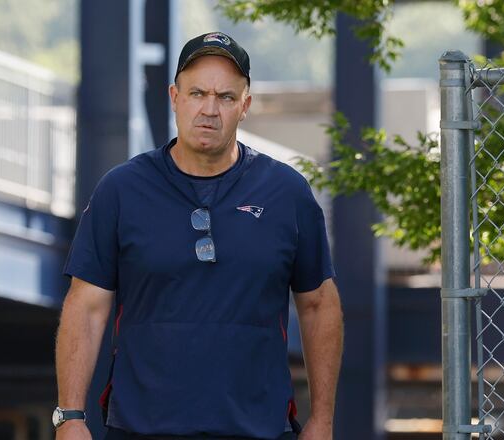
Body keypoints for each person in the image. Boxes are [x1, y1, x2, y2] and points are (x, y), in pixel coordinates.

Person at [53, 32, 343, 440]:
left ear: (245, 106)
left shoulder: (287, 192)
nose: (209, 109)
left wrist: (323, 419)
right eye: (197, 93)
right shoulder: (121, 190)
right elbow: (86, 306)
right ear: (175, 97)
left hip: (258, 429)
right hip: (140, 429)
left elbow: (319, 304)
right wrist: (70, 416)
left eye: (225, 97)